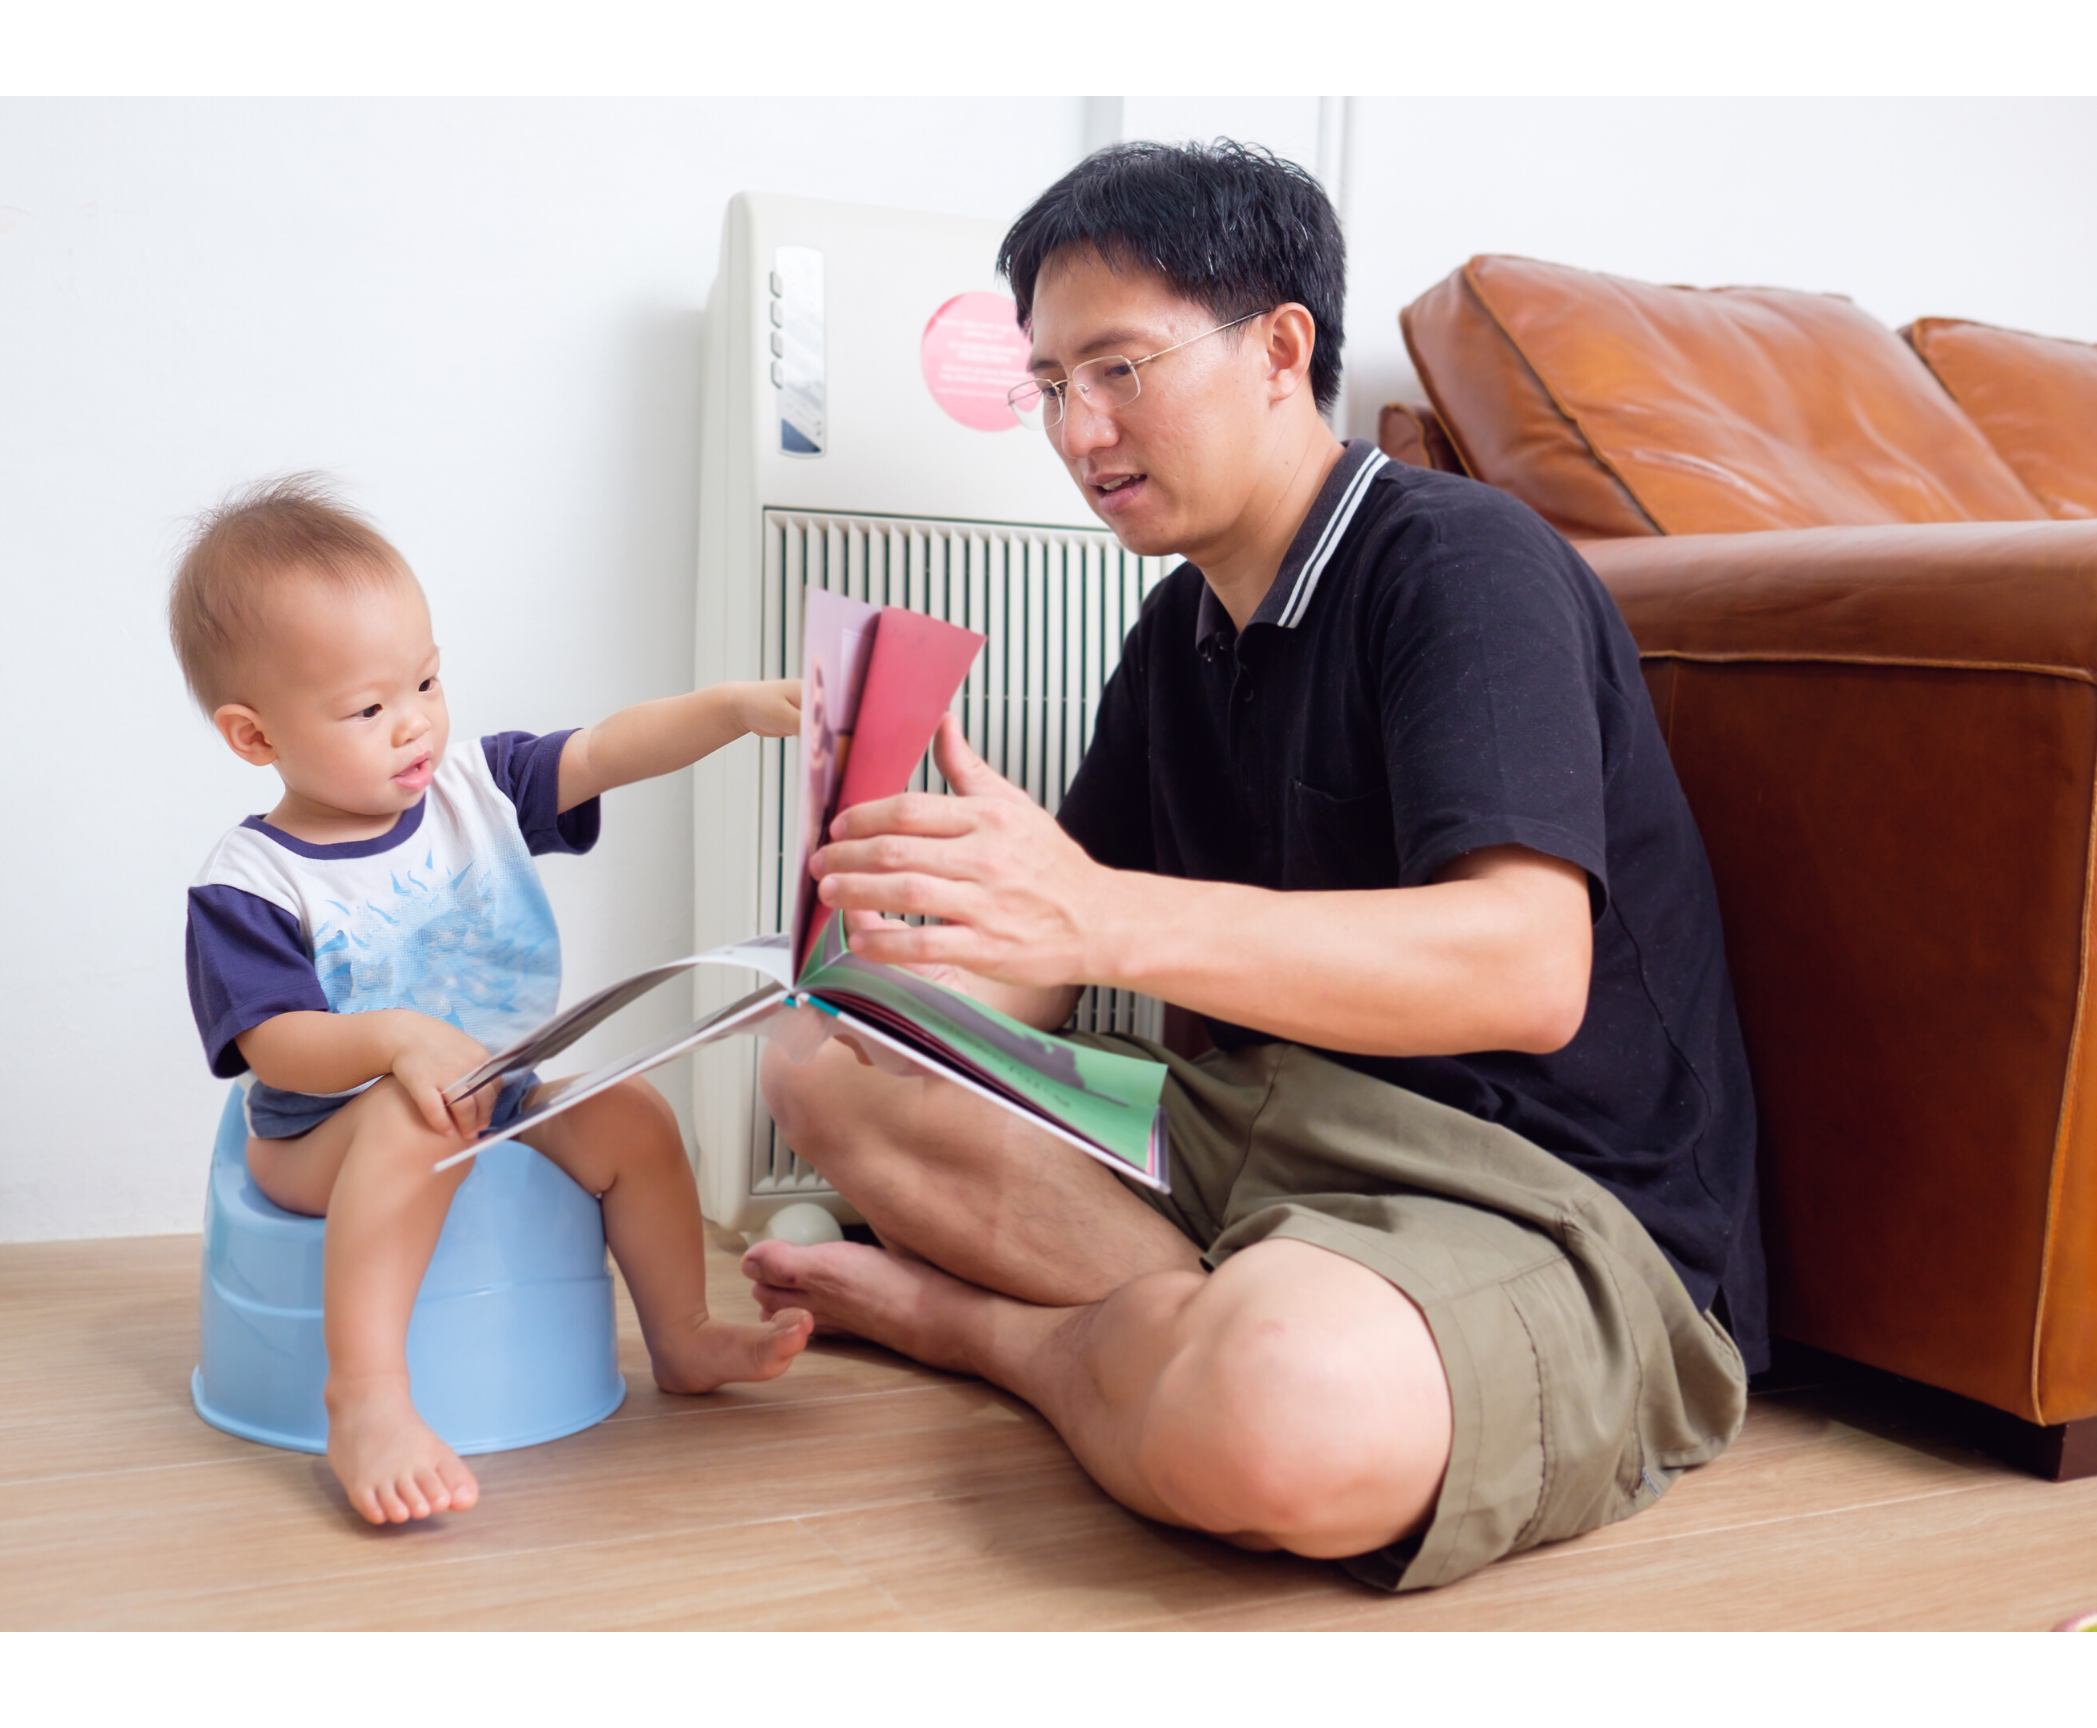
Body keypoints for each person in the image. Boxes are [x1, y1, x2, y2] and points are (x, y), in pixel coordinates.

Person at [743, 142, 1764, 1590]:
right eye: (1047, 388)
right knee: (810, 1062)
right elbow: (1051, 956)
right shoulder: (1179, 634)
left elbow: (1528, 970)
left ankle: (988, 1330)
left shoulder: (1462, 567)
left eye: (1119, 369)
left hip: (1528, 1188)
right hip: (1258, 1131)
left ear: (1282, 348)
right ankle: (1176, 1335)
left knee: (1279, 1410)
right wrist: (916, 957)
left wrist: (1093, 913)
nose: (1078, 431)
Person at [171, 477, 812, 1526]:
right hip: (325, 1138)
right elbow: (276, 1048)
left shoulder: (473, 787)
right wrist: (395, 1040)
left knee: (634, 1119)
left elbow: (608, 747)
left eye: (425, 681)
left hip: (491, 1098)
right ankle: (366, 1397)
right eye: (369, 708)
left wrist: (733, 711)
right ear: (254, 737)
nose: (414, 725)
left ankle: (685, 1336)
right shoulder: (252, 881)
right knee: (410, 1112)